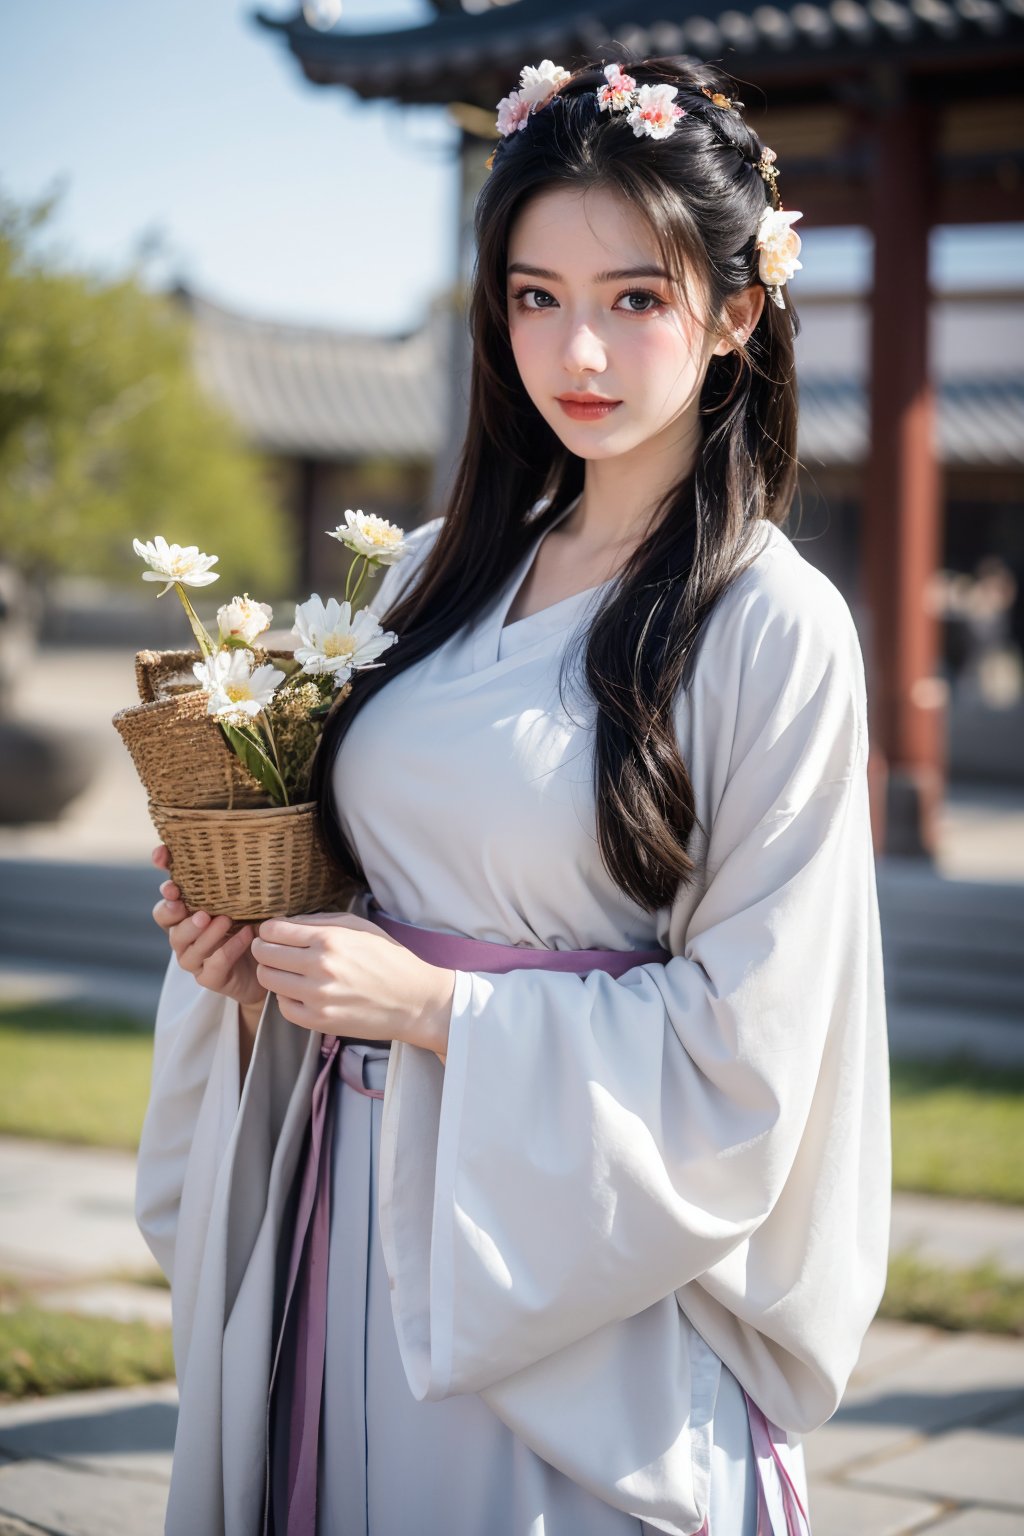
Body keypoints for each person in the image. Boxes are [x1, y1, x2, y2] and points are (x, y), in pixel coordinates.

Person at [135, 52, 891, 1536]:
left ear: (739, 314)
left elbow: (753, 1043)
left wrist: (435, 1009)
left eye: (635, 297)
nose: (578, 353)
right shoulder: (427, 572)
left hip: (569, 1253)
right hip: (351, 1201)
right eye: (536, 296)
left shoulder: (771, 627)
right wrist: (250, 955)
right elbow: (360, 881)